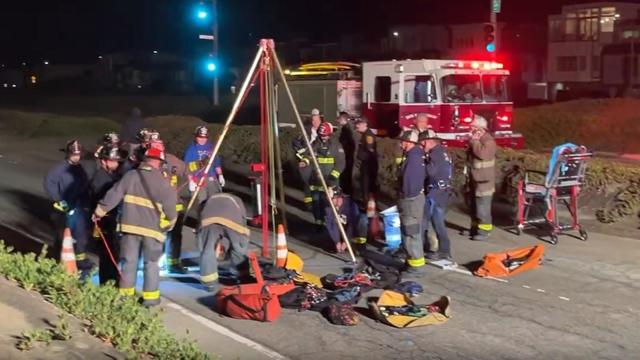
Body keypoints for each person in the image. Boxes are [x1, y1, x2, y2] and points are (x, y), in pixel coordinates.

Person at [93, 146, 177, 307]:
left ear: (145, 160)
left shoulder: (130, 176)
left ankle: (125, 297)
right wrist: (169, 225)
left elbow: (114, 194)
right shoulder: (163, 182)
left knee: (128, 262)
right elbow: (171, 212)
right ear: (159, 163)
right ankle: (151, 299)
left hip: (129, 228)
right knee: (151, 264)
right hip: (153, 231)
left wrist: (99, 211)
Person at [43, 140, 92, 271]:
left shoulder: (80, 170)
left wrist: (87, 204)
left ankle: (81, 263)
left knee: (81, 237)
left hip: (78, 209)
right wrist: (58, 200)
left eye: (78, 154)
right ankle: (56, 262)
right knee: (62, 237)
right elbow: (49, 184)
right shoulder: (58, 169)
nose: (76, 157)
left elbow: (85, 187)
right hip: (62, 210)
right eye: (74, 154)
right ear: (68, 154)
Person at [196, 182, 250, 292]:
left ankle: (209, 283)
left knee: (207, 249)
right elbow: (243, 220)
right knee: (238, 247)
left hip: (208, 221)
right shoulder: (237, 200)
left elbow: (200, 216)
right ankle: (242, 275)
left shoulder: (209, 199)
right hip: (232, 221)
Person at [149, 139, 189, 273]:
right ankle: (153, 263)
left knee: (175, 235)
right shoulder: (147, 162)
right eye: (154, 146)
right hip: (156, 206)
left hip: (174, 204)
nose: (157, 148)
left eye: (159, 145)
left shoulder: (171, 159)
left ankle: (173, 263)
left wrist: (201, 165)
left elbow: (186, 168)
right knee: (156, 235)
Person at [90, 144, 122, 285]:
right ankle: (107, 283)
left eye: (116, 161)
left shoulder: (112, 175)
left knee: (112, 254)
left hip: (111, 219)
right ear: (104, 161)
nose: (116, 164)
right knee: (107, 254)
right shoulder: (100, 179)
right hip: (104, 221)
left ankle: (111, 280)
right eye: (112, 161)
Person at [302, 122, 345, 229]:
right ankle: (318, 223)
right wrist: (305, 161)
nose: (323, 137)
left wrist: (333, 176)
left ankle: (331, 224)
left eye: (325, 135)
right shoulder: (315, 144)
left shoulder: (336, 146)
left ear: (330, 134)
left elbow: (341, 163)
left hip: (331, 181)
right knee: (316, 202)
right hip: (317, 179)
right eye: (321, 135)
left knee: (330, 204)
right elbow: (308, 155)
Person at [419, 130, 454, 262]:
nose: (421, 146)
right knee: (434, 222)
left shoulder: (434, 154)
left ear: (428, 142)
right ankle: (441, 250)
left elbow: (431, 172)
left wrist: (425, 162)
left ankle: (442, 251)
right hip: (443, 192)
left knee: (431, 222)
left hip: (435, 193)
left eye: (422, 143)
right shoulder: (444, 152)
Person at [396, 130, 427, 277]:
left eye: (402, 141)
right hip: (413, 200)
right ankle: (411, 262)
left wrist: (405, 197)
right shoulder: (415, 155)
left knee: (411, 233)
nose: (400, 143)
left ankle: (416, 267)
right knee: (411, 233)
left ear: (409, 143)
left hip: (411, 201)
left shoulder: (413, 158)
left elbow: (410, 184)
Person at [467, 115, 497, 241]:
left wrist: (474, 142)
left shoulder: (488, 141)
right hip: (476, 178)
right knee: (474, 206)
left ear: (480, 128)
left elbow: (483, 154)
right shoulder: (479, 139)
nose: (471, 129)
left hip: (485, 180)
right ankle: (475, 228)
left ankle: (484, 231)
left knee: (482, 207)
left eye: (473, 127)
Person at [324, 187, 367, 253]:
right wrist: (337, 241)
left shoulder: (350, 205)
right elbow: (331, 225)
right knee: (330, 240)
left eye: (331, 199)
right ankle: (337, 244)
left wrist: (347, 241)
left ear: (338, 198)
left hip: (351, 232)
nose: (329, 201)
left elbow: (352, 224)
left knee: (362, 219)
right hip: (339, 232)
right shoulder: (329, 208)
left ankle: (360, 247)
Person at [184, 126, 224, 193]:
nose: (202, 139)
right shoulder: (191, 149)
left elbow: (216, 164)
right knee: (200, 200)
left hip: (212, 178)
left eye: (204, 137)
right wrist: (191, 181)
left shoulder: (211, 147)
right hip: (198, 179)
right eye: (200, 137)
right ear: (196, 137)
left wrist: (220, 175)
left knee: (216, 198)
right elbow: (187, 167)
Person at [354, 117, 378, 207]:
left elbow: (370, 150)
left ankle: (368, 205)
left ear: (365, 124)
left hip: (368, 165)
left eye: (359, 124)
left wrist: (362, 158)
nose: (357, 125)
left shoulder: (368, 135)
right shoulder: (364, 134)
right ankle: (367, 203)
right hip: (366, 164)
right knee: (365, 185)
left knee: (366, 186)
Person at [336, 112, 355, 196]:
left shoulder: (346, 130)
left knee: (346, 174)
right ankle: (347, 191)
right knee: (346, 174)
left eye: (339, 119)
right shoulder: (347, 129)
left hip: (347, 156)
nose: (338, 121)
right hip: (348, 156)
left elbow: (345, 143)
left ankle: (346, 192)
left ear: (343, 119)